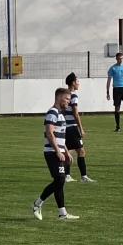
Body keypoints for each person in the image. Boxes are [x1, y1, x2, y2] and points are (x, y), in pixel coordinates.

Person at [32, 87, 78, 220]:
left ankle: (62, 213)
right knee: (60, 179)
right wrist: (58, 151)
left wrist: (66, 150)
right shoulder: (52, 113)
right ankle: (37, 204)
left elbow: (59, 136)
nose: (68, 102)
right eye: (67, 99)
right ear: (59, 97)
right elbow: (49, 133)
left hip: (60, 151)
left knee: (60, 181)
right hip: (52, 152)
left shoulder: (61, 113)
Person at [63, 73, 95, 183]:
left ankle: (67, 176)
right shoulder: (73, 96)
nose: (78, 83)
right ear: (73, 82)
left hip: (64, 127)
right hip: (71, 127)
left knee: (69, 151)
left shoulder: (64, 95)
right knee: (81, 151)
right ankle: (83, 176)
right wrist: (81, 128)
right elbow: (75, 113)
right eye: (77, 81)